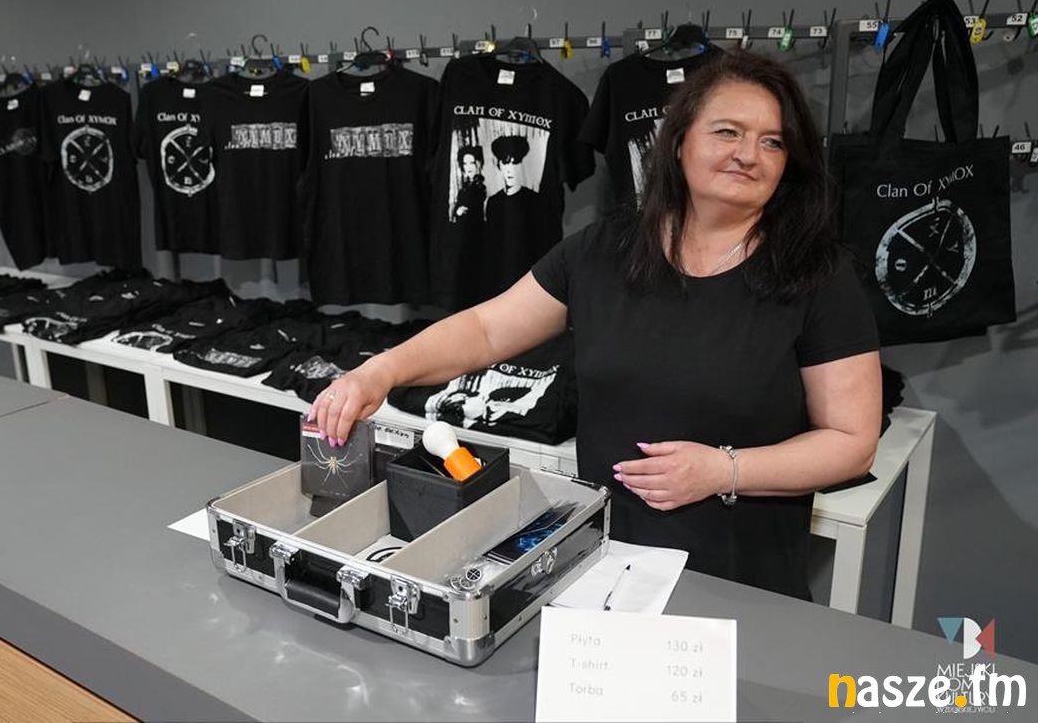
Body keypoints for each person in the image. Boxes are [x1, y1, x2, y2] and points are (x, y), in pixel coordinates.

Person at [308, 50, 881, 599]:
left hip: (739, 576)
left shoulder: (817, 274)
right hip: (605, 565)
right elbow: (486, 329)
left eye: (773, 141)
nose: (749, 154)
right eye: (727, 132)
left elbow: (851, 444)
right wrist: (379, 372)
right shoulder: (604, 249)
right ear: (679, 141)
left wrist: (723, 470)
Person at [452, 144, 487, 221]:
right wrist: (458, 212)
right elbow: (456, 210)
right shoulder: (464, 188)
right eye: (465, 163)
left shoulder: (481, 187)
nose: (469, 167)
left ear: (477, 164)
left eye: (472, 163)